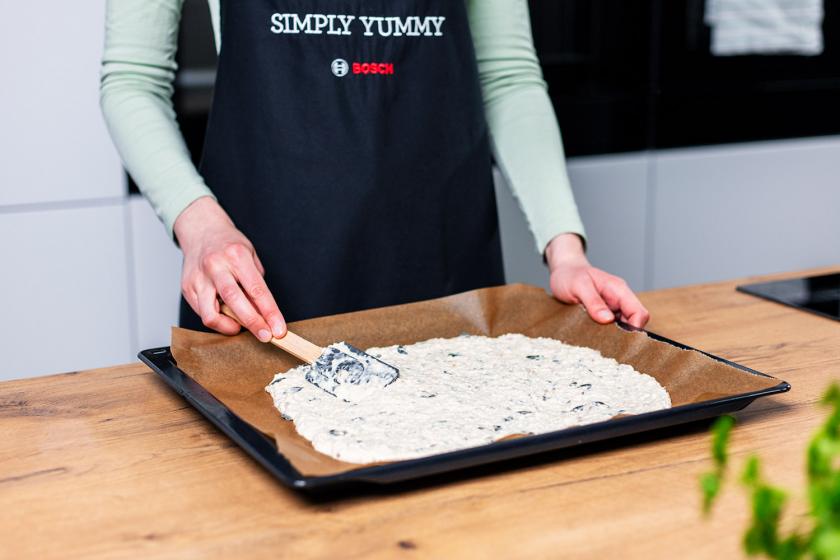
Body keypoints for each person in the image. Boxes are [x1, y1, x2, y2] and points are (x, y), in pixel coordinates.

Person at [101, 0, 650, 343]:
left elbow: (508, 77)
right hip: (264, 292)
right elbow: (132, 80)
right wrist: (199, 226)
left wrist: (566, 251)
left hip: (445, 279)